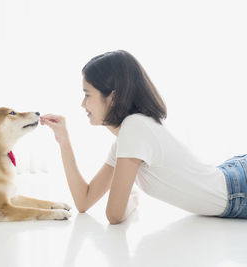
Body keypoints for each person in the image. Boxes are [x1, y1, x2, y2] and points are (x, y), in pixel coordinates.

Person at [40, 50, 247, 224]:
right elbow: (84, 201)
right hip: (232, 180)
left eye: (87, 94)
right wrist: (63, 140)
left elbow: (114, 214)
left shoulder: (134, 127)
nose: (83, 105)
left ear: (112, 96)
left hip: (238, 189)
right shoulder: (126, 138)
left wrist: (131, 201)